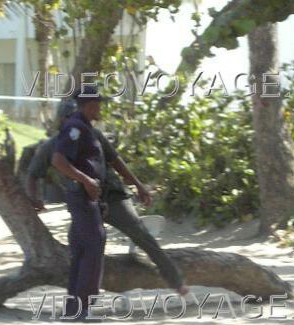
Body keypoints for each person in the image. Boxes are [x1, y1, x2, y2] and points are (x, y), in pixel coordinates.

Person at [27, 99, 189, 299]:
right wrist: (34, 197)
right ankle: (78, 304)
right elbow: (33, 174)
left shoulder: (93, 135)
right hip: (84, 202)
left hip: (113, 197)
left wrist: (138, 185)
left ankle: (176, 281)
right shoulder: (53, 146)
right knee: (81, 250)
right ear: (63, 121)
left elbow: (117, 162)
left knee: (142, 236)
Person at [52, 88, 108, 318]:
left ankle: (74, 307)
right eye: (98, 104)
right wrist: (86, 181)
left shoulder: (86, 127)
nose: (100, 108)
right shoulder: (75, 127)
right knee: (95, 243)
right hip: (81, 196)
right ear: (89, 104)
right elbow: (58, 160)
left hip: (85, 195)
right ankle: (83, 306)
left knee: (81, 249)